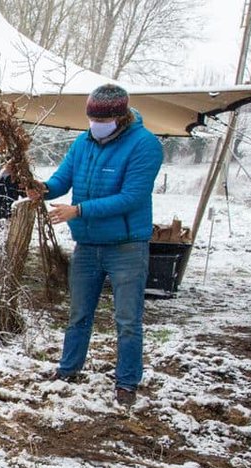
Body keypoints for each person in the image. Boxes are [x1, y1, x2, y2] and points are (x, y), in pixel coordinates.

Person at [28, 84, 163, 407]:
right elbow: (62, 180)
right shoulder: (83, 142)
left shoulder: (145, 145)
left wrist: (79, 210)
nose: (95, 125)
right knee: (78, 313)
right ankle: (68, 369)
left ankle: (127, 382)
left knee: (127, 320)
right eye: (92, 119)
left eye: (102, 120)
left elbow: (132, 197)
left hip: (126, 246)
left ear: (121, 117)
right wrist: (41, 187)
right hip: (87, 244)